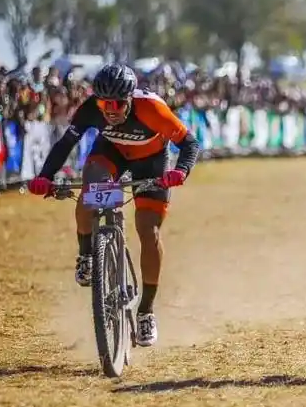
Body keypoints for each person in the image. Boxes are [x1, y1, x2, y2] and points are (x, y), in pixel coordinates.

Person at [26, 63, 200, 348]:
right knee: (90, 191)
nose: (110, 110)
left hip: (151, 162)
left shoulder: (152, 109)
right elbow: (66, 144)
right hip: (111, 154)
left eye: (117, 103)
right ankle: (87, 255)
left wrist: (180, 171)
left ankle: (145, 312)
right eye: (104, 103)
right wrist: (45, 176)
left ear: (130, 99)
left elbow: (190, 144)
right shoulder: (91, 108)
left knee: (148, 230)